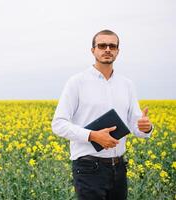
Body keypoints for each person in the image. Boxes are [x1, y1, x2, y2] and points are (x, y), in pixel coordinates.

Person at [51, 29, 153, 200]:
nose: (107, 49)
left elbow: (136, 126)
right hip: (88, 168)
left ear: (117, 52)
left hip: (119, 167)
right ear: (93, 50)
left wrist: (146, 127)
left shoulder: (126, 84)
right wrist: (93, 136)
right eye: (102, 45)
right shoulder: (77, 82)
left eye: (112, 46)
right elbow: (58, 124)